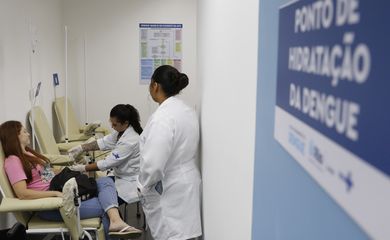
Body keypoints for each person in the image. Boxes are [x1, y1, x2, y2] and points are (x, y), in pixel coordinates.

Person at [0, 121, 141, 240]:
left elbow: (47, 174)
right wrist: (54, 194)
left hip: (63, 192)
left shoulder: (29, 154)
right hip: (53, 206)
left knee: (105, 181)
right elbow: (22, 193)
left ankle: (116, 222)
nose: (28, 133)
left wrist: (73, 170)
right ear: (14, 136)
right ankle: (116, 222)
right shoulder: (13, 161)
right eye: (24, 132)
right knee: (108, 208)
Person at [137, 65, 202, 240]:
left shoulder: (162, 118)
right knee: (185, 235)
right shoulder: (186, 110)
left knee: (172, 235)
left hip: (169, 188)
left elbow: (154, 165)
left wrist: (142, 186)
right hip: (186, 181)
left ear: (155, 85)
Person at [68, 104, 142, 204]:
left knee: (102, 198)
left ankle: (112, 217)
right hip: (118, 175)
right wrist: (81, 147)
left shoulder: (130, 140)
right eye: (111, 123)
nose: (112, 126)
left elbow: (107, 163)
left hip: (129, 181)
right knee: (97, 187)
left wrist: (81, 168)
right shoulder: (121, 131)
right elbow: (103, 142)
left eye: (115, 124)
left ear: (126, 123)